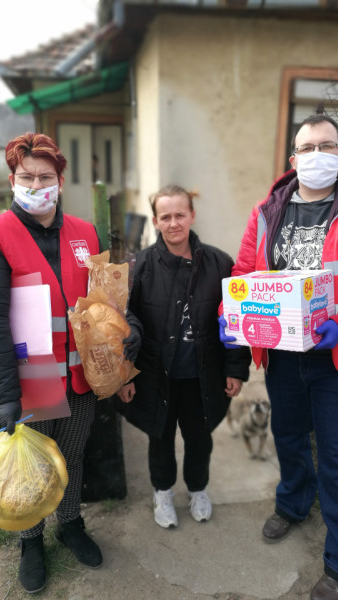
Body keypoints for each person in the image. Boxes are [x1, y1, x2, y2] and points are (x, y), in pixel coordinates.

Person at [219, 114, 338, 600]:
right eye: (307, 148)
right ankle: (294, 502)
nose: (317, 155)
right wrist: (230, 314)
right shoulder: (267, 211)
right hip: (283, 353)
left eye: (327, 146)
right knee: (289, 436)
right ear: (293, 159)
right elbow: (244, 272)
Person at [0, 132, 104, 594]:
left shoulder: (85, 233)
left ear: (60, 181)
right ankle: (30, 540)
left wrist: (127, 329)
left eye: (46, 177)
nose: (37, 185)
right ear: (12, 181)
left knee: (72, 455)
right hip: (28, 384)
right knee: (30, 469)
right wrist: (5, 397)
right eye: (27, 177)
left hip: (78, 378)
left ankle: (70, 522)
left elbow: (103, 299)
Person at [118, 185, 251, 528]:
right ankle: (162, 492)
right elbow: (123, 323)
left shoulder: (220, 263)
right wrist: (125, 376)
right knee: (160, 438)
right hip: (156, 375)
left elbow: (236, 318)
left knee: (200, 438)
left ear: (192, 215)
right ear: (155, 221)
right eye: (166, 217)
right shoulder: (138, 266)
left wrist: (235, 368)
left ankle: (197, 489)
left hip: (202, 375)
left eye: (180, 214)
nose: (173, 223)